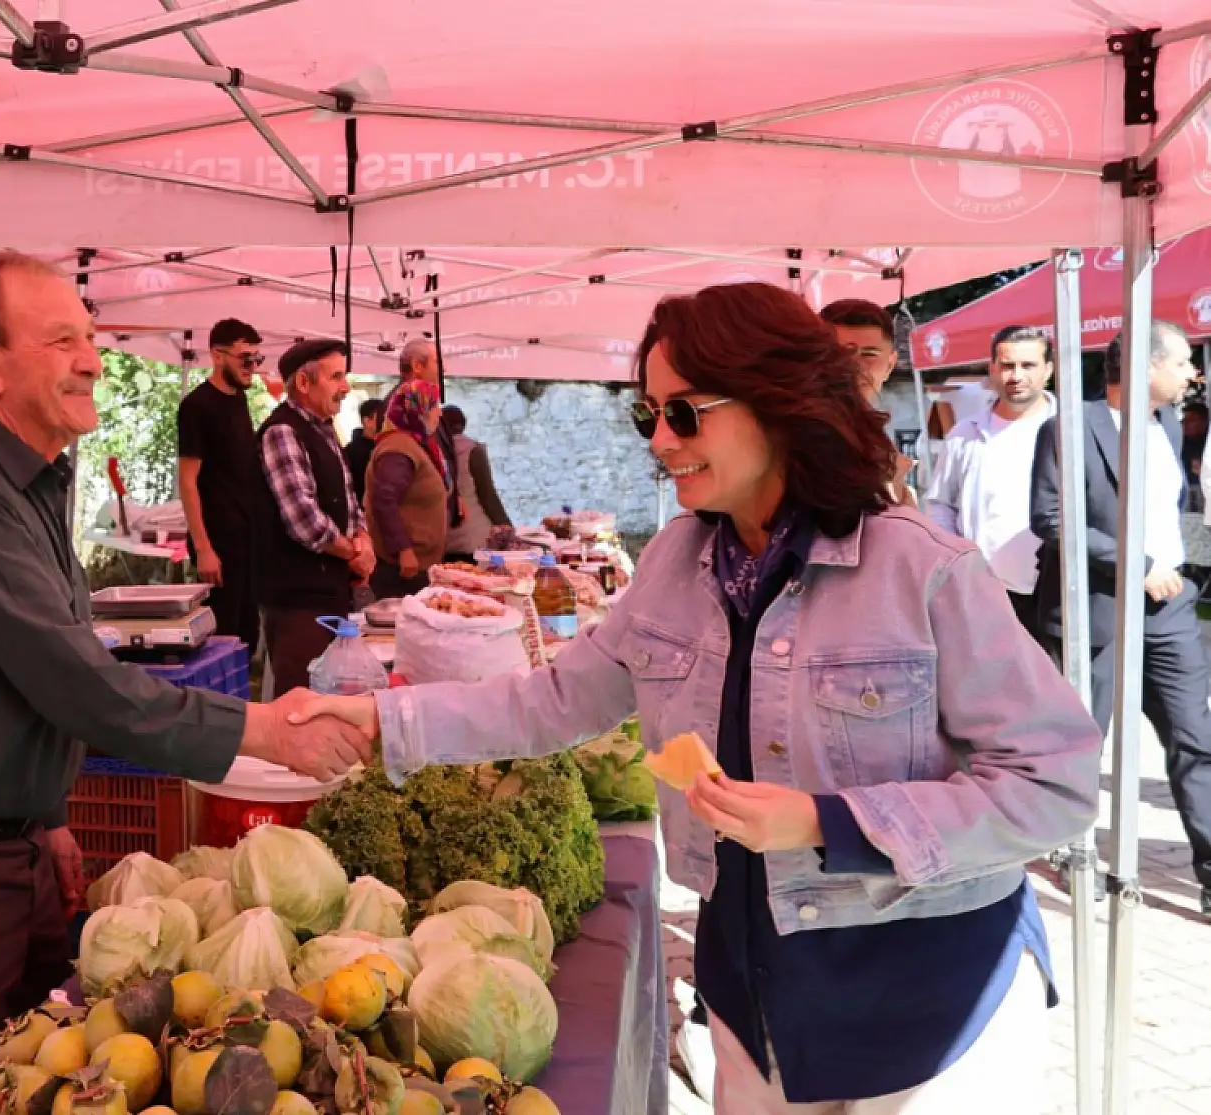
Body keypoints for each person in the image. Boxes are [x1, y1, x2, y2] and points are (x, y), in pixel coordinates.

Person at [301, 282, 1101, 1113]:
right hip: (755, 1004)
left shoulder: (924, 570)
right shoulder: (675, 562)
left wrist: (830, 822)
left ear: (778, 400)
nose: (660, 439)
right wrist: (376, 718)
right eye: (647, 413)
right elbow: (555, 700)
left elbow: (1055, 782)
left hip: (927, 1010)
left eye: (685, 413)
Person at [0, 252, 371, 1115]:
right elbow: (77, 680)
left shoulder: (32, 483)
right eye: (63, 339)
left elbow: (19, 676)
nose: (92, 358)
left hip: (2, 852)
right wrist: (264, 730)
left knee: (31, 1088)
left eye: (91, 336)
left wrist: (44, 817)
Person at [1031, 320, 1211, 916]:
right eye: (1183, 361)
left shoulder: (1165, 425)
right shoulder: (1070, 427)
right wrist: (1135, 564)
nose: (1194, 374)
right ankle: (1070, 860)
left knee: (1196, 741)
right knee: (1084, 747)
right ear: (1143, 366)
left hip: (1170, 611)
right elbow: (1052, 518)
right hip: (1098, 612)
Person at [257, 337, 375, 696]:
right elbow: (304, 521)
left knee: (329, 700)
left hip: (328, 594)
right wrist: (353, 553)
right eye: (336, 377)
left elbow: (351, 502)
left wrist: (364, 538)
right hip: (297, 603)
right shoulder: (283, 431)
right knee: (302, 703)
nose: (345, 387)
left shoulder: (324, 430)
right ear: (304, 383)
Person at [924, 325, 1057, 645]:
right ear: (992, 370)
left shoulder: (1073, 430)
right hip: (982, 591)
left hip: (1054, 593)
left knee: (1055, 686)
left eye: (1028, 365)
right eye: (1008, 365)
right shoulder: (965, 434)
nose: (1016, 375)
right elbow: (940, 503)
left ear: (1048, 371)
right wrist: (957, 562)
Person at [177, 317, 265, 651]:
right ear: (217, 355)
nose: (252, 367)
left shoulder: (239, 400)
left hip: (246, 537)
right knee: (221, 636)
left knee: (246, 635)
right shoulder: (197, 406)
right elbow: (187, 481)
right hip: (218, 542)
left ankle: (243, 699)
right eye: (245, 358)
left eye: (257, 359)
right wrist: (203, 548)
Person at [820, 299, 919, 508]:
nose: (855, 365)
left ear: (890, 365)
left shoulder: (878, 439)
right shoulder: (794, 433)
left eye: (869, 355)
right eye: (842, 353)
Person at [367, 380, 451, 598]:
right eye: (433, 407)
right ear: (417, 410)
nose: (439, 414)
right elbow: (383, 499)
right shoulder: (398, 447)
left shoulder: (415, 443)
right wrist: (403, 550)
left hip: (417, 565)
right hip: (403, 570)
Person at [400, 337, 463, 528]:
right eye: (438, 363)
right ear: (417, 366)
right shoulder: (400, 407)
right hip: (415, 527)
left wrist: (454, 494)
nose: (444, 370)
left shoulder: (427, 403)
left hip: (435, 520)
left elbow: (441, 453)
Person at [442, 405, 513, 560]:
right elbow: (487, 495)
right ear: (464, 424)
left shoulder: (434, 450)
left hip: (444, 538)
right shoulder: (473, 450)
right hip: (474, 536)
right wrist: (506, 525)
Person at [345, 395, 384, 506]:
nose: (386, 420)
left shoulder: (389, 446)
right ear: (367, 421)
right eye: (381, 417)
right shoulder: (350, 452)